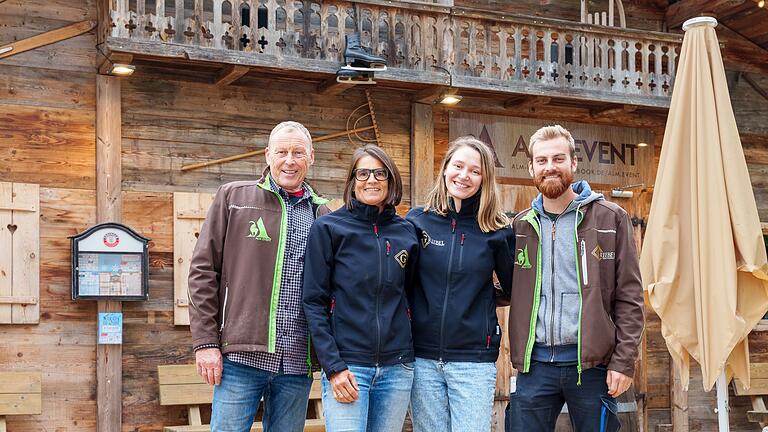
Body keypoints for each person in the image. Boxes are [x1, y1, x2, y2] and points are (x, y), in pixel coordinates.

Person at [188, 121, 331, 432]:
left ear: (311, 157)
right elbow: (202, 271)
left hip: (297, 361)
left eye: (298, 152)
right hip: (241, 358)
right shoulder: (234, 198)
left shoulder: (324, 216)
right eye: (282, 152)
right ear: (268, 155)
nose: (289, 160)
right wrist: (205, 342)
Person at [507, 125, 644, 432]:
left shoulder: (611, 218)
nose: (550, 167)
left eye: (558, 158)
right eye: (541, 161)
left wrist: (623, 362)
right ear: (530, 167)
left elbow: (630, 297)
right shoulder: (520, 226)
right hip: (535, 365)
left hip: (592, 367)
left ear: (573, 162)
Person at [303, 145, 419, 432]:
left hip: (397, 368)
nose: (372, 180)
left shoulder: (406, 233)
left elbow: (414, 295)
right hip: (349, 367)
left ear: (391, 181)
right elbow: (313, 302)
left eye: (380, 173)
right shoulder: (329, 228)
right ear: (352, 180)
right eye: (363, 173)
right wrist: (334, 367)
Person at [406, 136, 514, 432]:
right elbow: (401, 283)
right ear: (445, 169)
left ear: (484, 179)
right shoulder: (418, 221)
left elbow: (515, 288)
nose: (464, 176)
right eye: (458, 166)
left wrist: (480, 296)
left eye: (475, 171)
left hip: (473, 362)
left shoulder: (497, 230)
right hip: (423, 358)